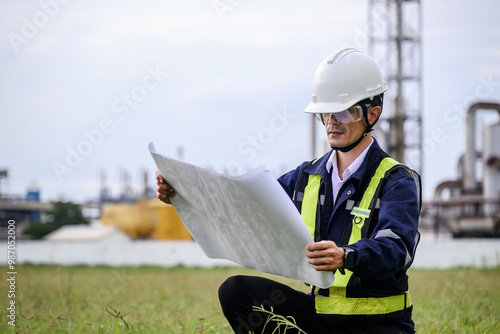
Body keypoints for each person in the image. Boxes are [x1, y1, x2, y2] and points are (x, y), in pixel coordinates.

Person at [156, 48, 421, 334]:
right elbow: (243, 210)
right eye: (325, 111)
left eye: (344, 111)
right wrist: (182, 194)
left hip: (378, 326)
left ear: (373, 114)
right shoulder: (305, 177)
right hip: (319, 319)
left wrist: (347, 255)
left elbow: (397, 249)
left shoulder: (397, 180)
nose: (332, 121)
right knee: (236, 291)